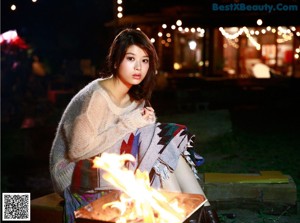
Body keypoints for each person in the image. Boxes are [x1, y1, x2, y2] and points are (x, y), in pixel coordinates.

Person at [49, 28, 219, 223]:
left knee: (161, 150)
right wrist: (131, 124)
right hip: (73, 173)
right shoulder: (96, 97)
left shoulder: (136, 98)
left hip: (113, 165)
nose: (138, 67)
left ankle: (201, 214)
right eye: (131, 59)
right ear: (115, 61)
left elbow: (138, 140)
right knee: (158, 142)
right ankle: (199, 216)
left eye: (144, 60)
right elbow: (78, 151)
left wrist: (144, 123)